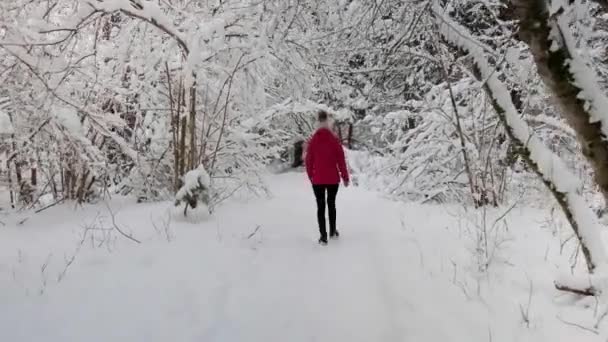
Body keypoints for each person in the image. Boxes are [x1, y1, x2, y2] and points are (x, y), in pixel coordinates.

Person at [305, 110, 350, 245]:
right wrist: (345, 177)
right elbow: (341, 159)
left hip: (317, 179)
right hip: (332, 179)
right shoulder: (334, 139)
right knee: (331, 204)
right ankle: (332, 231)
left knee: (320, 206)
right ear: (328, 121)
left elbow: (308, 160)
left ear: (317, 121)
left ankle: (323, 237)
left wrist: (311, 176)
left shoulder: (313, 140)